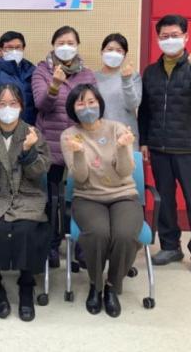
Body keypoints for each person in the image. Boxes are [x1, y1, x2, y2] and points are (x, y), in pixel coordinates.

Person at [138, 14, 191, 277]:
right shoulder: (151, 72)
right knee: (165, 200)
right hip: (159, 148)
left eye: (175, 35)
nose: (169, 40)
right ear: (157, 39)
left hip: (190, 148)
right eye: (164, 36)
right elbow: (145, 110)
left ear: (186, 37)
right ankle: (170, 246)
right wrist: (144, 140)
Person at [0, 84, 52, 322]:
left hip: (26, 195)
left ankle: (26, 283)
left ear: (21, 106)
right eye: (2, 104)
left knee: (26, 229)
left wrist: (28, 150)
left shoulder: (32, 133)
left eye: (13, 103)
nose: (7, 108)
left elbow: (40, 171)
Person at [60, 84, 143, 318]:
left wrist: (124, 147)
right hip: (88, 197)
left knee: (125, 234)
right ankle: (95, 284)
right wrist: (78, 152)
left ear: (99, 103)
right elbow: (81, 178)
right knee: (98, 233)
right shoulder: (69, 135)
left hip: (123, 194)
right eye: (81, 103)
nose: (87, 107)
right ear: (73, 108)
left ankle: (112, 286)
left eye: (91, 102)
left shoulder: (117, 128)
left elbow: (125, 171)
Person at [31, 26, 96, 267]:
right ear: (53, 45)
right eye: (61, 43)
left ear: (77, 46)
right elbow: (41, 104)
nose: (66, 47)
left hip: (81, 143)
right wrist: (55, 86)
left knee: (81, 195)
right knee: (50, 198)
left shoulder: (87, 74)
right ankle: (50, 244)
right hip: (51, 142)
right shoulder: (42, 71)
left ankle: (81, 245)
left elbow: (94, 107)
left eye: (70, 43)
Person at [0, 31, 37, 125]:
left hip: (27, 127)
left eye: (18, 47)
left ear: (23, 48)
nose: (14, 51)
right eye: (9, 47)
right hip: (0, 127)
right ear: (1, 50)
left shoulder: (32, 71)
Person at [95, 33, 142, 149]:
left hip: (126, 135)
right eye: (110, 49)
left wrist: (126, 80)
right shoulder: (92, 78)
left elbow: (133, 105)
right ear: (102, 52)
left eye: (119, 50)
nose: (113, 53)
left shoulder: (133, 76)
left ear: (124, 55)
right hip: (100, 138)